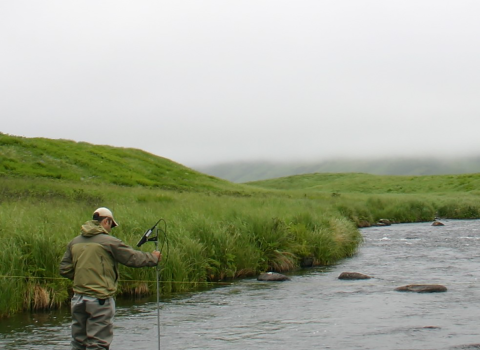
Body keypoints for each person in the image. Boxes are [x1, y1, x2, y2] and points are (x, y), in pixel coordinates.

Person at [60, 207, 161, 350]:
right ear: (106, 221)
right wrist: (153, 258)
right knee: (98, 345)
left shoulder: (75, 242)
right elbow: (132, 258)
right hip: (100, 300)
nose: (111, 229)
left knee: (78, 343)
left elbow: (64, 269)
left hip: (78, 299)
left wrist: (83, 278)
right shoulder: (109, 241)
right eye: (111, 225)